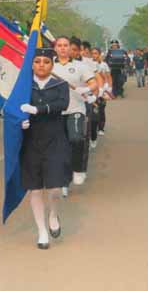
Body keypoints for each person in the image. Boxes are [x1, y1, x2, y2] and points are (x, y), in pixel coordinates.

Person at [20, 47, 71, 250]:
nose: (41, 65)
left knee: (55, 187)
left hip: (55, 139)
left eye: (46, 62)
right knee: (34, 188)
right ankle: (41, 231)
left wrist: (38, 109)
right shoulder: (24, 85)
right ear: (32, 64)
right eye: (37, 61)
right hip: (30, 141)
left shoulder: (60, 84)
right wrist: (19, 121)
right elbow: (14, 107)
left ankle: (53, 214)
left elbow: (63, 104)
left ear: (52, 64)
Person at [52, 36, 97, 188]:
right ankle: (62, 177)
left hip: (76, 109)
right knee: (58, 146)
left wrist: (86, 89)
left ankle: (77, 169)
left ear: (70, 48)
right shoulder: (48, 65)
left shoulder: (80, 66)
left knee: (76, 139)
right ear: (55, 48)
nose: (63, 48)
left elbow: (94, 83)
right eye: (59, 45)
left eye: (65, 45)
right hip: (56, 111)